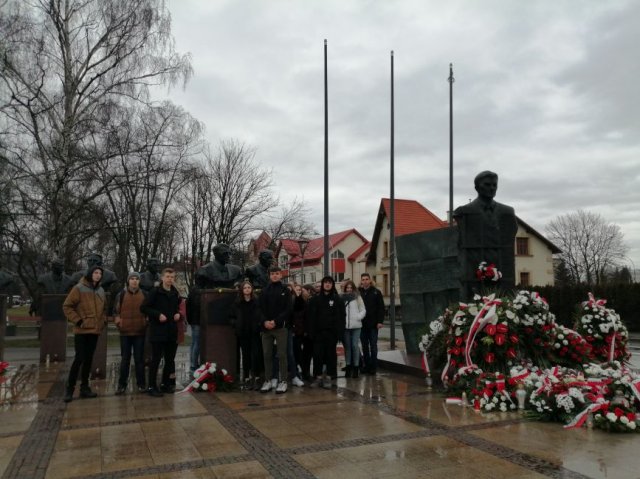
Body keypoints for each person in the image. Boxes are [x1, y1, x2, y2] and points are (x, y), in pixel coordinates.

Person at [453, 170, 518, 300]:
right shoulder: (464, 212)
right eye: (487, 184)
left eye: (494, 185)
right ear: (477, 187)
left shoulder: (507, 212)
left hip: (503, 273)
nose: (492, 188)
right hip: (474, 273)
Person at [62, 265, 107, 402]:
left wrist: (103, 321)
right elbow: (67, 306)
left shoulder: (101, 290)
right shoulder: (79, 288)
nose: (98, 275)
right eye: (95, 272)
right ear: (90, 274)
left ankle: (85, 388)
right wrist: (78, 321)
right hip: (82, 330)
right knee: (79, 358)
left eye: (100, 273)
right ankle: (70, 389)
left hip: (95, 330)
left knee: (88, 360)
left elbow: (105, 308)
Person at [141, 268, 181, 397]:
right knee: (156, 360)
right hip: (158, 331)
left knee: (170, 360)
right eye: (168, 276)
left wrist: (178, 314)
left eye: (172, 277)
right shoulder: (155, 292)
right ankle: (152, 386)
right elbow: (144, 307)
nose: (170, 279)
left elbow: (177, 309)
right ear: (162, 278)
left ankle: (165, 384)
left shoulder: (175, 293)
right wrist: (157, 315)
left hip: (171, 331)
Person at [258, 266, 292, 394]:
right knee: (267, 354)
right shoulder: (264, 290)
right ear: (269, 276)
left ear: (281, 275)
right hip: (266, 328)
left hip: (280, 328)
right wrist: (265, 321)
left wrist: (275, 321)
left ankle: (283, 381)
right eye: (272, 274)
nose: (275, 276)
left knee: (282, 355)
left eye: (277, 273)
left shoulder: (285, 290)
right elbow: (259, 309)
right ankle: (268, 380)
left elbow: (288, 309)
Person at [308, 276, 345, 389]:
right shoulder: (315, 299)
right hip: (318, 333)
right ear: (323, 284)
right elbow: (310, 317)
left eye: (329, 283)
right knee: (317, 355)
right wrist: (311, 332)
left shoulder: (337, 299)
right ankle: (318, 377)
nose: (327, 284)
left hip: (331, 333)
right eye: (325, 282)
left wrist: (339, 332)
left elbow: (342, 317)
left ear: (332, 284)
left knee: (330, 355)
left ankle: (329, 377)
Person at [113, 272, 148, 395]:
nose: (134, 281)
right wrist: (118, 322)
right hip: (125, 333)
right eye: (132, 279)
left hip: (140, 333)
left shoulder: (144, 294)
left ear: (139, 281)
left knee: (139, 360)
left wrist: (146, 321)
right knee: (125, 360)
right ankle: (122, 385)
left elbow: (148, 310)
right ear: (128, 281)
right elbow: (115, 311)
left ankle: (141, 384)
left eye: (136, 279)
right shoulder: (121, 295)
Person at [230, 280, 265, 390]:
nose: (247, 290)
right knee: (246, 355)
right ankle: (246, 377)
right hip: (243, 333)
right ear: (242, 290)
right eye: (245, 288)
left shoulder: (257, 301)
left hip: (254, 332)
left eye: (249, 288)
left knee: (256, 355)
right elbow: (231, 317)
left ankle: (257, 376)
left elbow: (261, 314)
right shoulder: (237, 303)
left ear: (252, 289)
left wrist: (259, 325)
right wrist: (236, 324)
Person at [359, 273, 385, 375]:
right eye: (363, 279)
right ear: (361, 281)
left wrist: (380, 321)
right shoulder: (358, 293)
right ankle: (367, 366)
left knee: (373, 346)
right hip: (362, 325)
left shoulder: (376, 292)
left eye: (366, 279)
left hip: (373, 325)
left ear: (370, 280)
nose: (365, 281)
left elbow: (381, 308)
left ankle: (374, 366)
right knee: (364, 346)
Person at [341, 280, 366, 379]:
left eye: (351, 288)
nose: (349, 289)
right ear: (345, 288)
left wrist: (358, 317)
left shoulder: (357, 297)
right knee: (347, 347)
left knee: (355, 346)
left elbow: (363, 309)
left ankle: (356, 367)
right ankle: (348, 366)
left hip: (356, 325)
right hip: (345, 326)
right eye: (347, 288)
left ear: (353, 288)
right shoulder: (342, 298)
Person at [291, 283, 313, 381]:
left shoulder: (307, 302)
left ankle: (306, 372)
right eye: (296, 290)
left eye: (300, 290)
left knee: (307, 354)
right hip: (296, 332)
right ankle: (298, 372)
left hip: (305, 331)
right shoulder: (292, 301)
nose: (298, 292)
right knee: (297, 353)